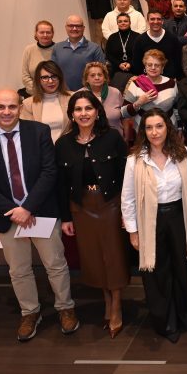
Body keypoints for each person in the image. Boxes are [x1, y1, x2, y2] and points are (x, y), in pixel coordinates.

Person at [0, 89, 78, 342]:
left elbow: (49, 172)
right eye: (1, 107)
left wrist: (27, 207)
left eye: (12, 106)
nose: (6, 112)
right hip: (5, 216)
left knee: (55, 264)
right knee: (18, 270)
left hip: (40, 210)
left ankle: (65, 307)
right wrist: (13, 211)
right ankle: (30, 312)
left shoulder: (38, 132)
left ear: (20, 107)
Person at [122, 108, 187, 343]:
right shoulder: (135, 160)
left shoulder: (183, 155)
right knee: (157, 272)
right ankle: (165, 321)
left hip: (178, 217)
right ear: (143, 131)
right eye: (149, 127)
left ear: (168, 127)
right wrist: (133, 232)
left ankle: (183, 314)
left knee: (181, 268)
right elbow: (127, 198)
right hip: (150, 220)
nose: (155, 132)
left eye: (159, 126)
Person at [55, 90, 129, 337]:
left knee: (113, 257)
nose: (83, 113)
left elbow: (125, 176)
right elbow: (61, 185)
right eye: (78, 109)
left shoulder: (113, 138)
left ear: (98, 112)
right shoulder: (63, 144)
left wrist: (127, 211)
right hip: (81, 207)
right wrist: (66, 217)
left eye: (88, 108)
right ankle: (106, 300)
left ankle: (116, 306)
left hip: (111, 204)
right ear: (71, 114)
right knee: (94, 258)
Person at [122, 49, 179, 125]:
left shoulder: (171, 83)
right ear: (145, 66)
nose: (153, 68)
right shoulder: (135, 84)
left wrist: (179, 127)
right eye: (149, 65)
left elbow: (177, 108)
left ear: (162, 67)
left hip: (169, 127)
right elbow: (124, 113)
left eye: (157, 65)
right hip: (142, 128)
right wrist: (139, 103)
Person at [21, 61, 72, 144]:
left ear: (60, 78)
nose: (50, 81)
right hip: (41, 148)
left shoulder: (72, 98)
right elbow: (27, 133)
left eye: (54, 76)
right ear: (38, 80)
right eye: (45, 77)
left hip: (67, 147)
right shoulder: (28, 104)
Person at [52, 15, 106, 91]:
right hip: (63, 93)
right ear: (66, 28)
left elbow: (102, 73)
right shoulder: (57, 48)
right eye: (71, 26)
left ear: (83, 28)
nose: (74, 28)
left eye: (78, 26)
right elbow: (53, 72)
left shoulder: (95, 48)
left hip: (88, 93)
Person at [132, 11, 183, 80]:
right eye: (152, 19)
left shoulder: (172, 38)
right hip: (148, 80)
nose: (155, 22)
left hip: (169, 79)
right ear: (147, 21)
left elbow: (178, 61)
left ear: (162, 21)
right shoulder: (139, 40)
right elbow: (137, 63)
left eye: (158, 19)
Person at [82, 61, 125, 136]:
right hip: (89, 138)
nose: (97, 78)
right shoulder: (80, 95)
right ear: (86, 79)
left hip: (115, 138)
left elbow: (124, 116)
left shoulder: (116, 92)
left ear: (105, 78)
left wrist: (126, 137)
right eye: (92, 75)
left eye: (100, 75)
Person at [104, 12, 141, 92]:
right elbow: (108, 54)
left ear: (130, 22)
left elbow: (140, 54)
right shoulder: (112, 37)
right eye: (120, 21)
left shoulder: (137, 36)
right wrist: (119, 64)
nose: (123, 23)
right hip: (116, 71)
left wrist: (130, 64)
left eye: (125, 21)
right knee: (117, 93)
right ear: (117, 24)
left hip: (135, 70)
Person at [20, 20, 56, 97]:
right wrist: (38, 91)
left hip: (54, 94)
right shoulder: (29, 50)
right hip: (33, 94)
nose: (45, 35)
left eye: (48, 32)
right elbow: (25, 76)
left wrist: (49, 92)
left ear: (52, 34)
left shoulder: (58, 49)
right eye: (42, 32)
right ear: (36, 34)